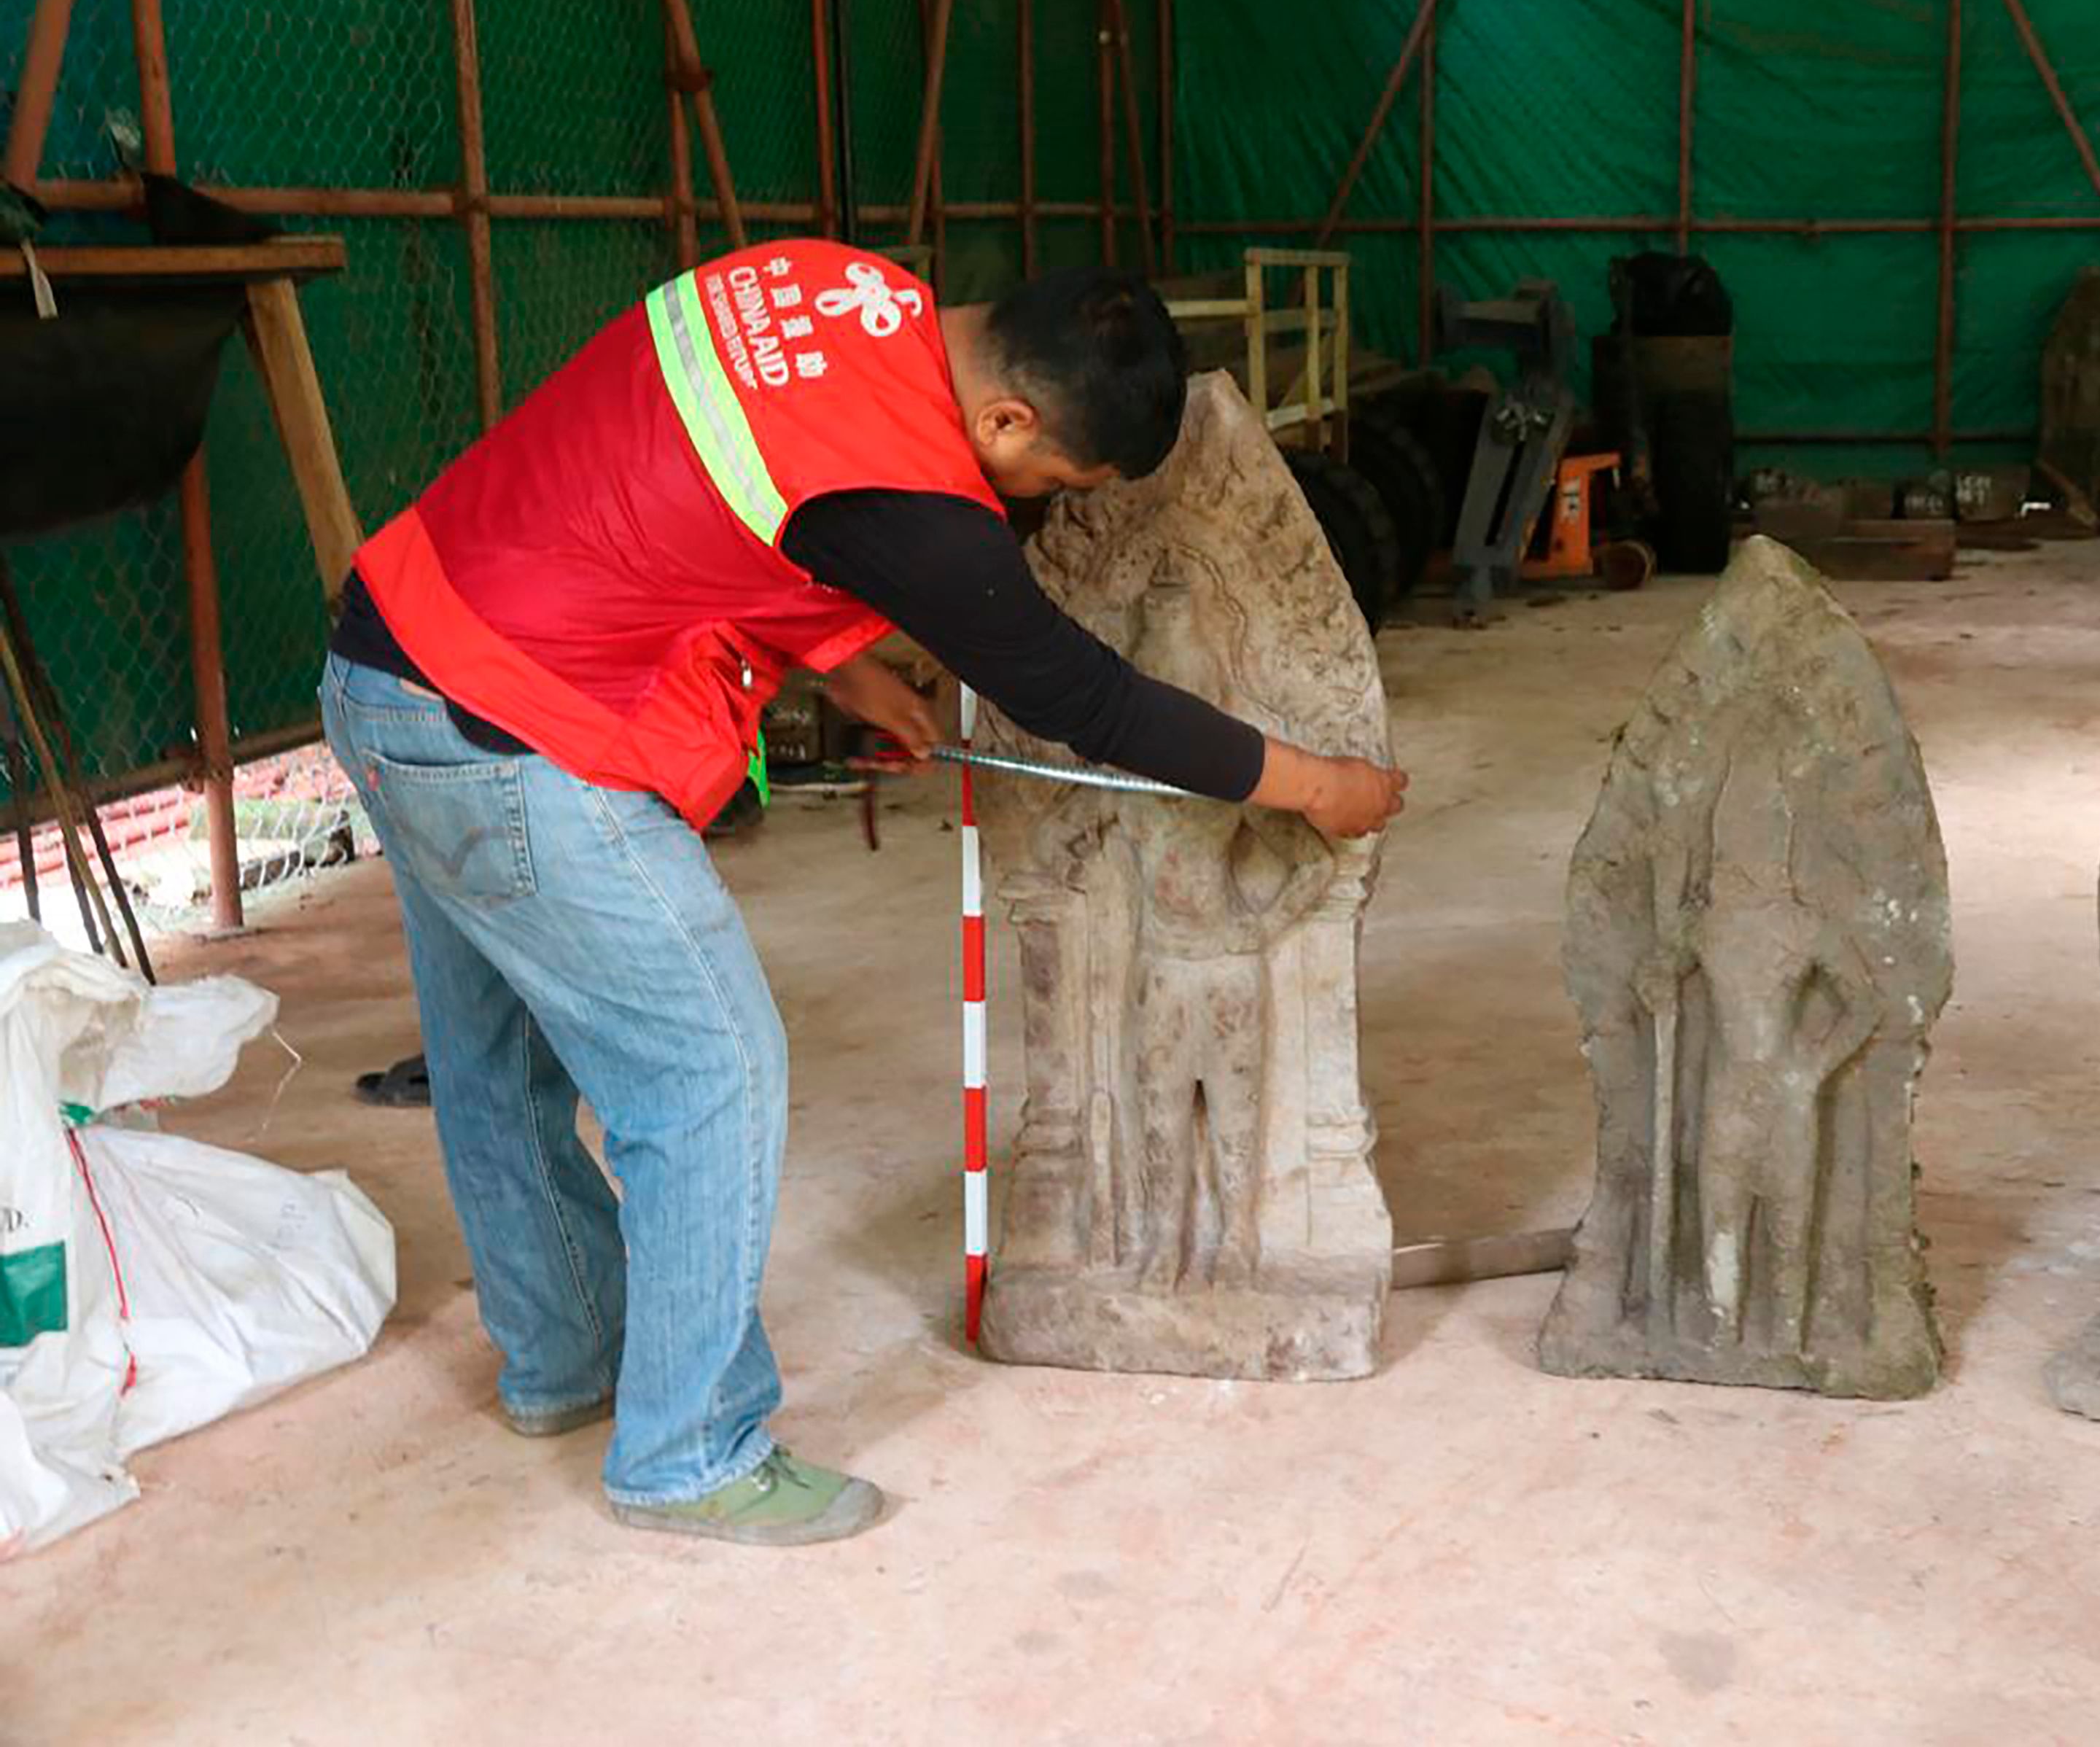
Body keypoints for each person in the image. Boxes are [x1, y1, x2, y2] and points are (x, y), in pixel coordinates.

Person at [319, 240, 1407, 1547]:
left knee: (497, 1064)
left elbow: (714, 480)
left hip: (390, 662)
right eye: (1056, 480)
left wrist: (837, 668)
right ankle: (687, 1453)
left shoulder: (842, 289)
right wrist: (1307, 785)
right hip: (518, 731)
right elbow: (1079, 694)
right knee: (709, 1071)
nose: (1045, 510)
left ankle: (567, 1365)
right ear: (1008, 418)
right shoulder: (925, 508)